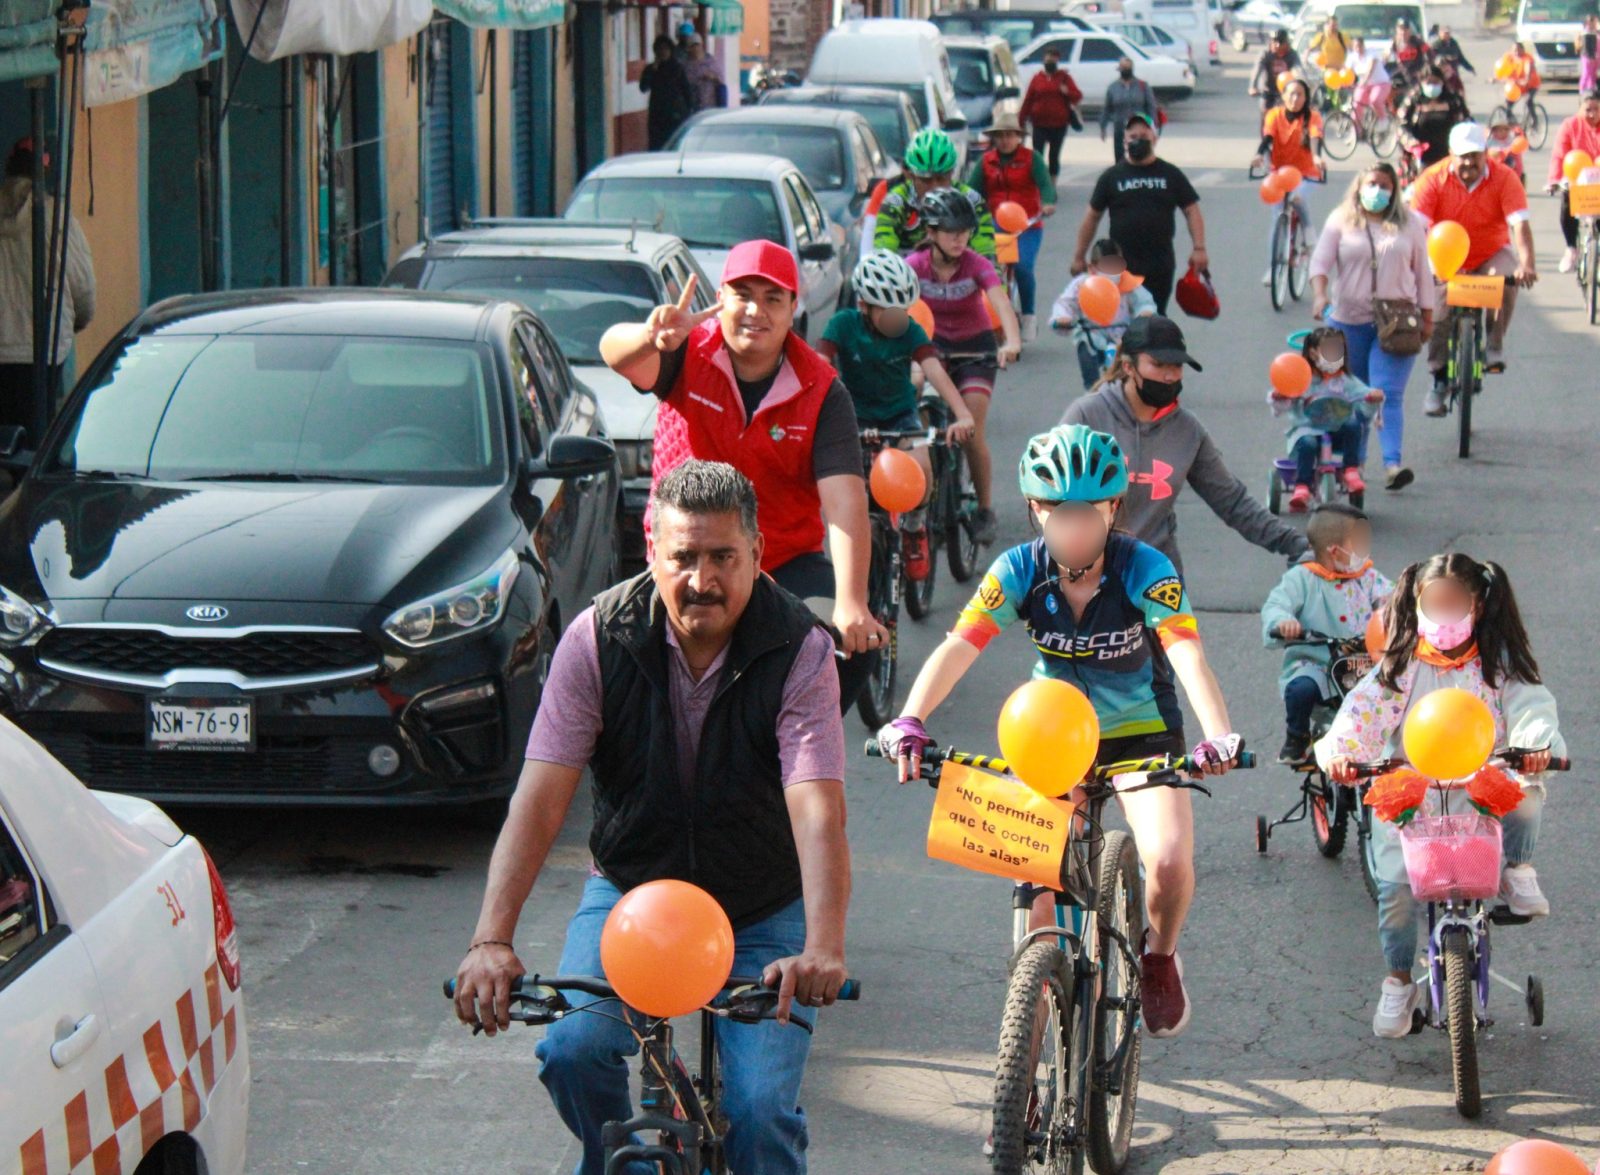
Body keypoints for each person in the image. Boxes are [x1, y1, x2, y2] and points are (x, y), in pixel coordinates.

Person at [452, 460, 852, 1175]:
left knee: (759, 1112)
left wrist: (822, 944)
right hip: (632, 893)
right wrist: (491, 937)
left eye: (724, 556)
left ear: (758, 555)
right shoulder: (597, 637)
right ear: (651, 553)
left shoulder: (801, 648)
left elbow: (816, 806)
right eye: (684, 558)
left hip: (761, 903)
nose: (703, 579)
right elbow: (541, 798)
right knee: (572, 1052)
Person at [879, 424, 1244, 1039]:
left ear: (1113, 510)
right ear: (1034, 510)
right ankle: (1029, 1046)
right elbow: (958, 647)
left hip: (1140, 733)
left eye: (1088, 514)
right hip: (1050, 736)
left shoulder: (1145, 568)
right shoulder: (1018, 569)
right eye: (1057, 513)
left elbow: (1186, 655)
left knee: (1171, 860)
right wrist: (911, 717)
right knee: (1037, 894)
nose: (1072, 527)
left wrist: (1220, 734)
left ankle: (1158, 958)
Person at [598, 238, 888, 709]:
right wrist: (651, 335)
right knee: (615, 660)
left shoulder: (822, 390)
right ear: (720, 300)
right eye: (743, 295)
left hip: (782, 559)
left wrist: (852, 601)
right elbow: (615, 353)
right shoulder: (686, 352)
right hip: (684, 556)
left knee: (847, 649)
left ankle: (788, 762)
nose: (756, 311)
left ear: (794, 307)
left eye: (773, 298)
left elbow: (844, 503)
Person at [1319, 553, 1564, 1038]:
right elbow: (1361, 710)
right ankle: (1399, 979)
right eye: (1435, 603)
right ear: (1417, 603)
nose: (1445, 614)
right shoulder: (1400, 667)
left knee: (1525, 792)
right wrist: (1344, 753)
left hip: (1481, 785)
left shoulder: (1498, 662)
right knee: (1396, 892)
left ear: (1478, 604)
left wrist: (1535, 746)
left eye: (1455, 603)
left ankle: (1516, 868)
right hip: (1413, 792)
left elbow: (1532, 704)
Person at [1061, 316, 1311, 574]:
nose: (1170, 376)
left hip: (1156, 577)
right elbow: (1048, 493)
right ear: (1128, 366)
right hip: (1087, 572)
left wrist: (1297, 545)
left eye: (1177, 365)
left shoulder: (1188, 432)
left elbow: (1233, 502)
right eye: (1158, 365)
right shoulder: (1086, 417)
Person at [819, 251, 975, 580]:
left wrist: (962, 414)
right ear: (865, 305)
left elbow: (934, 371)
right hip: (853, 418)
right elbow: (818, 366)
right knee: (851, 492)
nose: (898, 318)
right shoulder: (843, 324)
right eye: (889, 311)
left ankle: (916, 529)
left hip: (900, 414)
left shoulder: (909, 331)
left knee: (922, 467)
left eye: (902, 310)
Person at [906, 188, 1021, 546]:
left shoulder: (977, 264)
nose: (960, 238)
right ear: (930, 232)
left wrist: (1012, 341)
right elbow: (900, 310)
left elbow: (1000, 303)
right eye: (950, 230)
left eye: (965, 230)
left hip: (975, 350)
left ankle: (984, 508)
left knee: (970, 428)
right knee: (919, 422)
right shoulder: (913, 266)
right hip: (929, 349)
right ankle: (920, 502)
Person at [1309, 162, 1432, 492]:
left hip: (1397, 325)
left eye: (1385, 186)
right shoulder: (1340, 220)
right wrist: (1320, 296)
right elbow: (1320, 262)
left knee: (1384, 394)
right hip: (1348, 322)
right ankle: (1354, 467)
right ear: (1359, 186)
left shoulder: (1410, 224)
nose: (1378, 191)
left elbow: (1424, 273)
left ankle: (1392, 464)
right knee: (1353, 397)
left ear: (1395, 191)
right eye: (1372, 184)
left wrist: (1428, 316)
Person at [1410, 121, 1537, 409]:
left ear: (1485, 154)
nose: (1469, 162)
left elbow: (1520, 225)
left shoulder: (1505, 178)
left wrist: (1526, 264)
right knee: (1438, 312)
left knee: (1506, 280)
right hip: (1444, 253)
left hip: (1489, 251)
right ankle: (1439, 379)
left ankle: (1493, 345)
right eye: (1463, 155)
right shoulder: (1431, 179)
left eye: (1475, 155)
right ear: (1451, 154)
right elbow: (1415, 229)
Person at [1262, 503, 1390, 763]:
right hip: (1317, 662)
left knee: (1393, 688)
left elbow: (1394, 598)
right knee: (1301, 688)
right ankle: (1297, 737)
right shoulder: (1301, 579)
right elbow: (1277, 604)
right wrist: (1284, 622)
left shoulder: (1368, 578)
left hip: (1362, 662)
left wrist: (1395, 611)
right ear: (1335, 551)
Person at [0, 137, 94, 432]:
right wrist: (77, 321)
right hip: (44, 347)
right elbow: (82, 288)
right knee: (37, 441)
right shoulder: (57, 215)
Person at [1072, 114, 1207, 315]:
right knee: (1120, 319)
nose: (1138, 139)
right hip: (1120, 264)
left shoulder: (1170, 174)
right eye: (1133, 135)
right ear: (1124, 140)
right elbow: (1092, 216)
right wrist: (1079, 256)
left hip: (1160, 263)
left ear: (1155, 138)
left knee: (1154, 317)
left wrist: (1199, 248)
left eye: (1144, 134)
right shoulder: (1112, 176)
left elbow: (1191, 210)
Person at [1266, 326, 1383, 511]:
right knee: (1308, 443)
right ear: (1313, 353)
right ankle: (1302, 486)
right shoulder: (1301, 376)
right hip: (1307, 431)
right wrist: (1281, 397)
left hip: (1335, 430)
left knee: (1353, 424)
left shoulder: (1343, 379)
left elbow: (1363, 396)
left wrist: (1372, 397)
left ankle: (1350, 470)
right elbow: (1280, 407)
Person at [965, 109, 1056, 341]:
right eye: (1001, 135)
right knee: (987, 270)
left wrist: (1047, 203)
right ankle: (988, 317)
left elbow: (1045, 185)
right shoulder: (986, 161)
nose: (1005, 140)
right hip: (994, 224)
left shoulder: (1031, 158)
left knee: (1024, 267)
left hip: (1026, 226)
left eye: (1010, 135)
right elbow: (971, 190)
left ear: (1018, 136)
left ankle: (1028, 316)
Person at [873, 128, 997, 261]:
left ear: (952, 173)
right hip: (908, 276)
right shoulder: (895, 203)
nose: (934, 187)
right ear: (911, 175)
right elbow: (883, 254)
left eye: (941, 179)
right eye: (926, 180)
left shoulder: (972, 201)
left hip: (960, 278)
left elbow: (987, 255)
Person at [1051, 238, 1156, 390]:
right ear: (1092, 268)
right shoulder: (1082, 284)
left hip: (1123, 335)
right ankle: (1091, 389)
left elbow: (1144, 302)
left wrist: (1145, 313)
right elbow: (1065, 303)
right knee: (1085, 347)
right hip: (1092, 333)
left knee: (1130, 365)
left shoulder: (1128, 283)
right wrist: (1063, 318)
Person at [1253, 76, 1324, 285]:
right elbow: (1267, 138)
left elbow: (1314, 138)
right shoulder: (1273, 115)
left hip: (1306, 174)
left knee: (1297, 198)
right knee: (1277, 219)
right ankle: (1274, 268)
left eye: (1300, 94)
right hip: (1279, 173)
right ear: (1283, 96)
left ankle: (1310, 240)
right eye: (1291, 94)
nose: (1295, 98)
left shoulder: (1313, 117)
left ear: (1306, 97)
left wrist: (1318, 157)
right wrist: (1259, 155)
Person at [1546, 89, 1600, 274]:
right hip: (1576, 180)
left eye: (1596, 109)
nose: (1592, 114)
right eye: (1588, 109)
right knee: (1567, 200)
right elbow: (1559, 155)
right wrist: (1554, 180)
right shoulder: (1570, 126)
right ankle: (1571, 248)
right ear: (1579, 109)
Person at [1018, 48, 1082, 179]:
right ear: (1043, 60)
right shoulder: (1037, 78)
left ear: (1057, 61)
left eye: (1053, 59)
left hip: (1059, 124)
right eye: (1048, 59)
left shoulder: (1064, 78)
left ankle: (1052, 185)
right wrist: (1021, 120)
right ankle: (1039, 184)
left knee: (1054, 156)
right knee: (1037, 155)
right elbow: (1028, 100)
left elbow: (1077, 96)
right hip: (1039, 124)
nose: (1050, 62)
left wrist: (1067, 92)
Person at [1395, 64, 1470, 169]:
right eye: (1428, 82)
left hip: (1449, 155)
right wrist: (1410, 140)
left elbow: (1466, 122)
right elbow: (1401, 124)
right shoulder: (1413, 100)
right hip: (1421, 155)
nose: (1432, 86)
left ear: (1442, 82)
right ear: (1421, 83)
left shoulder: (1454, 100)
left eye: (1435, 82)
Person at [1100, 58, 1160, 163]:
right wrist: (1102, 127)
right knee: (1120, 158)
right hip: (1120, 128)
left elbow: (1151, 107)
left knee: (1140, 156)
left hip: (1139, 128)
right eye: (1123, 68)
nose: (1125, 70)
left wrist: (1153, 126)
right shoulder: (1113, 87)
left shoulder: (1142, 86)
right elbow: (1107, 109)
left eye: (1127, 68)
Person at [640, 35, 694, 149]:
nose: (662, 52)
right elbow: (643, 87)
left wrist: (689, 110)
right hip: (657, 114)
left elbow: (686, 90)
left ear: (671, 51)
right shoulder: (651, 68)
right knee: (657, 145)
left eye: (665, 49)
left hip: (675, 114)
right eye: (659, 49)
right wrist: (652, 71)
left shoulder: (677, 68)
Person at [1250, 30, 1303, 116]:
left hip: (1285, 91)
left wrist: (1303, 85)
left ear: (1287, 43)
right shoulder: (1266, 54)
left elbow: (1299, 69)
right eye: (1274, 42)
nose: (1277, 45)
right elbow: (1257, 69)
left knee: (1289, 114)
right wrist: (1253, 86)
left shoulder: (1292, 55)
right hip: (1267, 90)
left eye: (1281, 42)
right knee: (1266, 113)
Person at [1349, 36, 1393, 125]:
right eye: (1355, 46)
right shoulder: (1352, 57)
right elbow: (1347, 71)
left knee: (1375, 100)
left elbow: (1370, 69)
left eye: (1359, 46)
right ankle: (1356, 129)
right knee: (1356, 103)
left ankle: (1383, 120)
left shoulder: (1371, 54)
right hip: (1364, 85)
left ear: (1363, 46)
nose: (1358, 49)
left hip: (1381, 83)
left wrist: (1364, 81)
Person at [683, 34, 725, 111]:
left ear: (702, 46)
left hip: (709, 105)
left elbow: (721, 80)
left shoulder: (710, 61)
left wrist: (713, 77)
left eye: (697, 45)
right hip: (692, 106)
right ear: (689, 48)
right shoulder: (685, 65)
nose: (696, 48)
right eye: (693, 46)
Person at [1486, 111, 1526, 187]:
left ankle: (1510, 179)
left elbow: (1517, 146)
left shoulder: (1511, 139)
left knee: (1510, 161)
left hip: (1508, 161)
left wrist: (1508, 151)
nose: (1500, 132)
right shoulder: (1491, 140)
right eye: (1497, 130)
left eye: (1504, 129)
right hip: (1495, 162)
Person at [1387, 19, 1429, 91]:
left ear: (1409, 30)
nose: (1403, 32)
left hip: (1416, 73)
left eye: (1406, 30)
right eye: (1401, 29)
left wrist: (1424, 69)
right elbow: (1387, 56)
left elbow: (1430, 54)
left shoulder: (1417, 41)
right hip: (1403, 72)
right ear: (1397, 30)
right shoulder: (1395, 42)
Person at [1580, 15, 1599, 93]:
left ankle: (1591, 87)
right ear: (1589, 22)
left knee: (1593, 73)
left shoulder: (1595, 31)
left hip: (1595, 56)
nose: (1596, 23)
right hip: (1588, 56)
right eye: (1595, 22)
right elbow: (1587, 46)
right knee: (1587, 73)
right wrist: (1591, 56)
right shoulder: (1587, 32)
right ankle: (1583, 89)